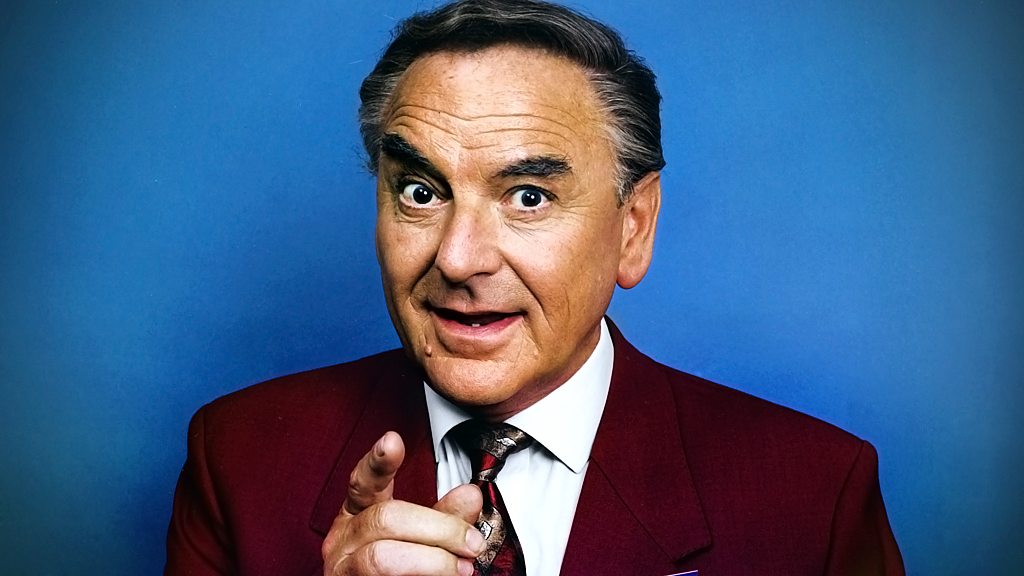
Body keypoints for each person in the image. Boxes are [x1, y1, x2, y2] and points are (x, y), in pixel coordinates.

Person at [165, 1, 904, 574]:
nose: (459, 259)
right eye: (420, 191)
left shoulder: (814, 495)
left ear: (634, 227)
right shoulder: (239, 458)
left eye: (528, 197)